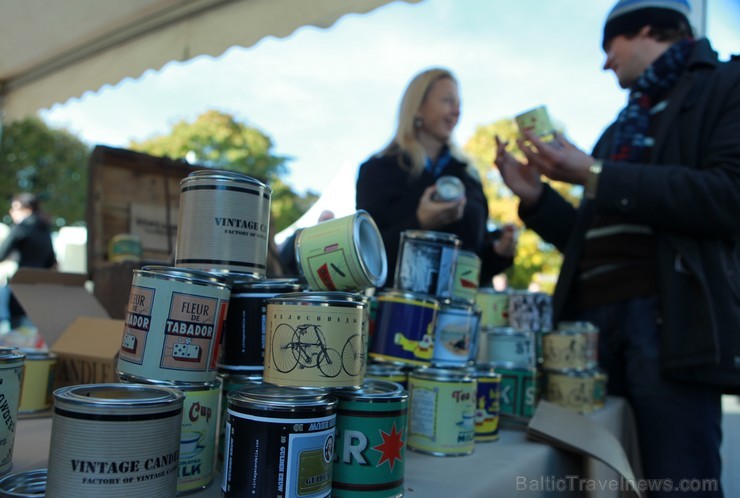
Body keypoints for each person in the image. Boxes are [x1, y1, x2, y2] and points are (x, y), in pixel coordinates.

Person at [494, 1, 739, 495]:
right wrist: (537, 199)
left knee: (679, 484)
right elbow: (590, 243)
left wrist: (595, 174)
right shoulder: (621, 126)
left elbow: (728, 195)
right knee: (598, 481)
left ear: (646, 27)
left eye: (611, 45)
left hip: (669, 327)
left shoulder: (725, 85)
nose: (606, 62)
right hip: (592, 334)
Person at [356, 67, 517, 289]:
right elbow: (366, 255)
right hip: (400, 314)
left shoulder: (469, 175)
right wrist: (419, 224)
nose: (456, 112)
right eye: (448, 101)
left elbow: (475, 263)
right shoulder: (378, 170)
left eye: (459, 104)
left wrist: (499, 252)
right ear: (418, 107)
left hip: (459, 315)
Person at [0, 193, 57, 328]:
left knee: (18, 327)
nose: (12, 212)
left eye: (14, 208)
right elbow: (51, 261)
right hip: (41, 283)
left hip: (22, 282)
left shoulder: (22, 227)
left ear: (27, 208)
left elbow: (2, 253)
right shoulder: (45, 229)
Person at [278, 209, 335, 277]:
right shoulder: (301, 235)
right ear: (318, 221)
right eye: (325, 219)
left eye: (331, 220)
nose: (327, 223)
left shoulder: (335, 241)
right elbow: (284, 259)